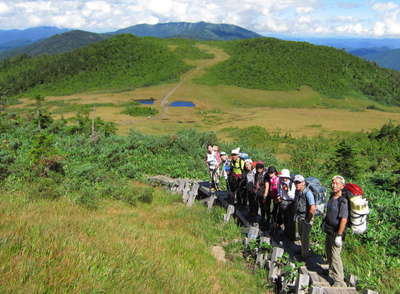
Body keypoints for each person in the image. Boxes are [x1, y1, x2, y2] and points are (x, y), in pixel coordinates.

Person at [323, 175, 349, 287]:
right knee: (328, 252)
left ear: (342, 186)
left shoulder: (343, 201)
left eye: (336, 183)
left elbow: (344, 219)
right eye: (333, 183)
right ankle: (331, 272)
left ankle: (339, 281)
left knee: (335, 256)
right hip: (329, 230)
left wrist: (339, 234)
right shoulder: (331, 197)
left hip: (336, 232)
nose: (333, 185)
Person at [294, 174, 316, 259]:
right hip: (300, 216)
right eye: (295, 182)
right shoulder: (298, 191)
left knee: (305, 236)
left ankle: (304, 256)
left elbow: (313, 208)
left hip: (306, 217)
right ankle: (303, 250)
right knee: (301, 234)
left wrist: (308, 220)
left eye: (298, 182)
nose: (297, 184)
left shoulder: (308, 193)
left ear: (303, 183)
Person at [277, 169, 296, 239]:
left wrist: (287, 190)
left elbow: (293, 196)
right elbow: (278, 190)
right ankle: (286, 233)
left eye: (285, 177)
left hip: (290, 203)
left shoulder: (292, 184)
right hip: (283, 202)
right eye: (283, 177)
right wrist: (279, 196)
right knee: (284, 218)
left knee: (290, 220)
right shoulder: (280, 182)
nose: (284, 179)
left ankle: (291, 235)